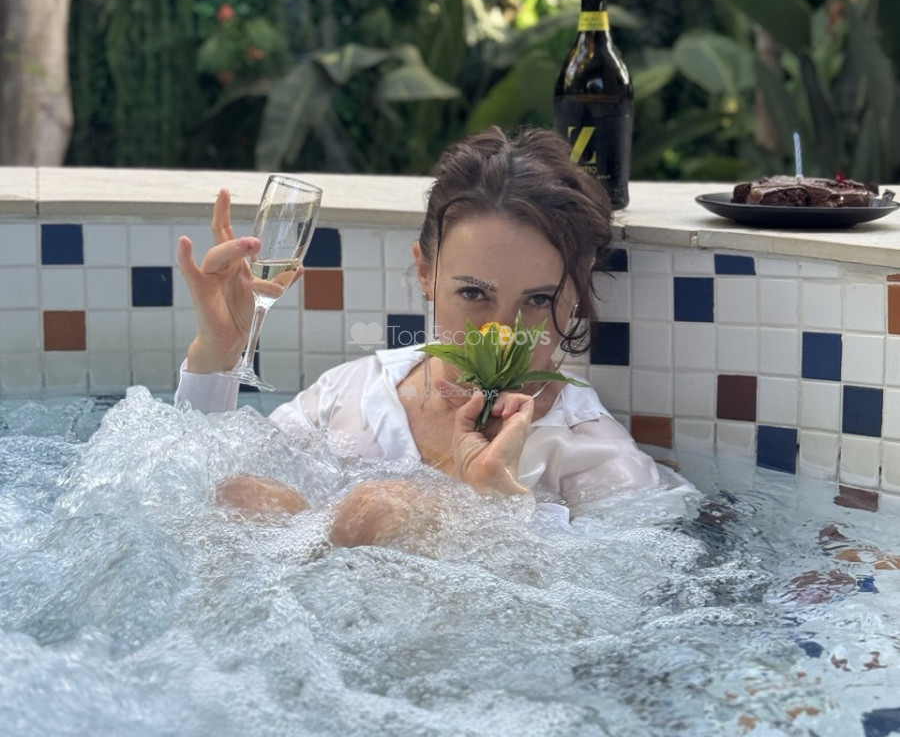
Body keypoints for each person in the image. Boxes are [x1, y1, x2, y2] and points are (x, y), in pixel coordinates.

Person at [175, 127, 664, 545]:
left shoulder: (595, 461)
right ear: (426, 273)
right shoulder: (351, 395)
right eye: (473, 293)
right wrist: (216, 356)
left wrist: (496, 508)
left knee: (382, 509)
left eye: (538, 300)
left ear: (575, 291)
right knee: (243, 495)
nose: (503, 332)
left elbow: (625, 605)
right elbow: (182, 494)